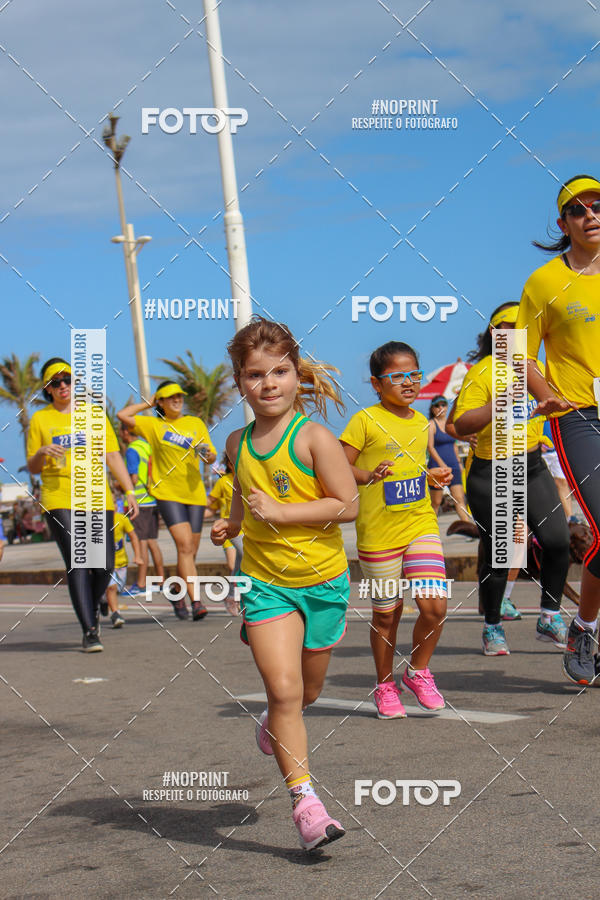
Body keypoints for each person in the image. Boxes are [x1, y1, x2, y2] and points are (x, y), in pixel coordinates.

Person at [211, 316, 358, 851]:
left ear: (298, 375)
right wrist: (234, 521)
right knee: (284, 690)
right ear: (240, 382)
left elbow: (348, 504)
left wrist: (281, 511)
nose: (268, 383)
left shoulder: (315, 437)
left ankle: (276, 727)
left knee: (309, 691)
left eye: (280, 371)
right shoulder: (236, 441)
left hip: (323, 584)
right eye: (255, 374)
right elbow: (244, 491)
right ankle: (307, 805)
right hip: (263, 583)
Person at [516, 174, 600, 684]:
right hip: (579, 415)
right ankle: (587, 628)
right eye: (579, 210)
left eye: (598, 206)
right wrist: (543, 392)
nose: (591, 215)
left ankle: (583, 625)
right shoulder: (545, 282)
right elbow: (518, 351)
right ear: (563, 223)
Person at [340, 341, 452, 719]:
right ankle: (385, 684)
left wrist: (429, 476)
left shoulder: (422, 423)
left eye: (414, 374)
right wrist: (368, 476)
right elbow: (339, 468)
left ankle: (418, 671)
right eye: (398, 376)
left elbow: (411, 472)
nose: (409, 383)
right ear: (376, 383)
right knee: (387, 614)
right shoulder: (364, 421)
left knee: (435, 606)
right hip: (377, 534)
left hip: (419, 523)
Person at [452, 303, 570, 656]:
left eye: (521, 326)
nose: (513, 333)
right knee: (501, 555)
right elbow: (460, 424)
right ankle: (492, 626)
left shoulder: (537, 369)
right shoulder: (482, 373)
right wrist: (497, 405)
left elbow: (560, 401)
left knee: (558, 540)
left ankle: (549, 616)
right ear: (493, 333)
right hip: (493, 472)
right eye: (505, 327)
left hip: (531, 466)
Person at [27, 358, 139, 652]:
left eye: (67, 379)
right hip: (59, 496)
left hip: (97, 497)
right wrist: (41, 451)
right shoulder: (41, 420)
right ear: (47, 389)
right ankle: (90, 630)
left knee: (103, 565)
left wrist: (129, 491)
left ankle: (93, 601)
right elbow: (33, 467)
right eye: (55, 382)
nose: (63, 385)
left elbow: (113, 456)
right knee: (78, 562)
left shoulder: (94, 414)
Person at [118, 383, 217, 621]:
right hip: (167, 493)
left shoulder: (195, 424)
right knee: (184, 546)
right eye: (170, 397)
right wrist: (148, 404)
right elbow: (123, 415)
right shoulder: (154, 425)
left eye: (179, 396)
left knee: (190, 551)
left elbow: (211, 454)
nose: (177, 399)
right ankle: (196, 602)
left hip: (194, 493)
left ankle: (175, 589)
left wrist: (208, 455)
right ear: (161, 401)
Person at [121, 423, 165, 595]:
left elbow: (132, 478)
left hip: (139, 502)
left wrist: (120, 485)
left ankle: (140, 584)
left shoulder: (132, 450)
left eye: (121, 432)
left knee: (141, 543)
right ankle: (161, 581)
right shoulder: (146, 446)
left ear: (126, 432)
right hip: (153, 500)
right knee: (152, 542)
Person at [208, 454, 243, 615]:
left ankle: (231, 595)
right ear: (229, 464)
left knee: (238, 565)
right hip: (230, 530)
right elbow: (209, 504)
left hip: (248, 529)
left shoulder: (248, 478)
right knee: (234, 563)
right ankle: (236, 596)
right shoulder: (223, 482)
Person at [427, 395, 470, 523]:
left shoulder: (450, 423)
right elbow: (430, 447)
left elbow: (454, 445)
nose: (441, 408)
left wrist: (458, 462)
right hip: (437, 467)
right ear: (433, 408)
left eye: (443, 405)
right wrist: (442, 465)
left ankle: (468, 527)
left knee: (459, 499)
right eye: (437, 405)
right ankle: (430, 531)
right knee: (436, 502)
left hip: (453, 466)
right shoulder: (431, 424)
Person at [101, 504, 144, 627]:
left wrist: (138, 555)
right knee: (112, 588)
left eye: (113, 502)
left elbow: (134, 537)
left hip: (121, 563)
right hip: (105, 564)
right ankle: (116, 614)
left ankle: (103, 601)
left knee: (117, 589)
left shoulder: (122, 519)